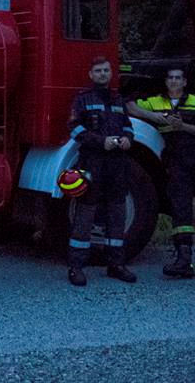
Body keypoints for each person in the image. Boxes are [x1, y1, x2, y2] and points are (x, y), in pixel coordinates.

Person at [128, 68, 195, 278]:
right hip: (177, 162)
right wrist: (154, 116)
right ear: (166, 82)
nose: (174, 81)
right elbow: (130, 106)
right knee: (180, 208)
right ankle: (184, 261)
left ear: (185, 82)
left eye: (178, 78)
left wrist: (182, 126)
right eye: (170, 78)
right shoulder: (155, 102)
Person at [66, 56, 137, 286]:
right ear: (91, 74)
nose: (103, 74)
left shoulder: (118, 99)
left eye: (106, 70)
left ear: (111, 73)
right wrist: (100, 142)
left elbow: (128, 126)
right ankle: (76, 267)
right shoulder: (82, 99)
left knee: (117, 213)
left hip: (117, 163)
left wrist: (127, 139)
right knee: (85, 214)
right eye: (98, 71)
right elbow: (74, 129)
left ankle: (116, 264)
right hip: (92, 162)